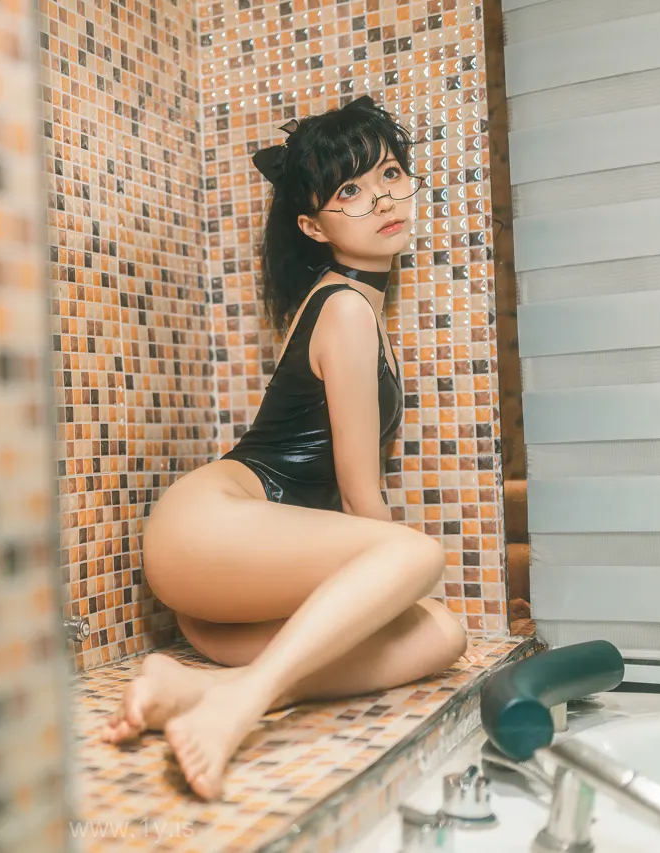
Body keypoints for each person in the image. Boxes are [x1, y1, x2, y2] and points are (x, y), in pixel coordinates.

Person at [100, 96, 477, 800]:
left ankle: (198, 688)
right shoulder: (347, 308)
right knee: (416, 557)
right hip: (208, 522)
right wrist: (396, 581)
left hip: (219, 581)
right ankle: (241, 707)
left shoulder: (351, 305)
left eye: (391, 173)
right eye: (350, 190)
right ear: (313, 225)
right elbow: (360, 496)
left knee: (441, 636)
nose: (382, 199)